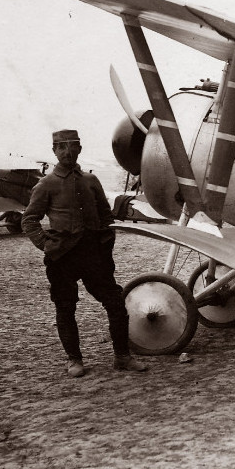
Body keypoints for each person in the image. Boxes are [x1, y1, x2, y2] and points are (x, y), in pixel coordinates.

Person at [22, 129, 147, 377]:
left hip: (93, 254)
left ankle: (122, 357)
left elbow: (106, 215)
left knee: (114, 302)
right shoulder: (46, 184)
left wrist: (105, 242)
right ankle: (74, 360)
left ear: (80, 148)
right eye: (61, 147)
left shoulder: (91, 180)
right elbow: (29, 220)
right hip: (62, 257)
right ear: (54, 151)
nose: (67, 152)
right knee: (65, 307)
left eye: (72, 146)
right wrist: (46, 244)